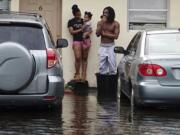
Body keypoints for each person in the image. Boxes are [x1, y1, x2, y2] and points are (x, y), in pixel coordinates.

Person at [96, 6, 120, 75]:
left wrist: (104, 34)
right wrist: (101, 23)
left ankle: (111, 84)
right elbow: (97, 34)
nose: (104, 14)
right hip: (102, 47)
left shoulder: (115, 23)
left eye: (106, 12)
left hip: (111, 47)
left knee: (112, 66)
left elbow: (116, 36)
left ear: (111, 14)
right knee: (102, 67)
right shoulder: (100, 23)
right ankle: (103, 84)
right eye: (104, 12)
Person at [68, 5, 84, 81]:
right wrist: (80, 30)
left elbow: (88, 29)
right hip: (76, 41)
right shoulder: (71, 21)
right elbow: (71, 32)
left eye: (80, 14)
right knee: (77, 57)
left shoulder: (83, 21)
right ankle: (77, 73)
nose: (79, 16)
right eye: (77, 15)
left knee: (82, 58)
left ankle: (81, 75)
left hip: (84, 41)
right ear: (74, 14)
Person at [82, 11, 93, 81]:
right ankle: (82, 74)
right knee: (82, 58)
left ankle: (84, 74)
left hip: (86, 40)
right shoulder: (85, 23)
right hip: (83, 41)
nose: (84, 18)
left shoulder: (88, 23)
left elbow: (90, 31)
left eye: (86, 17)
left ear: (89, 18)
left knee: (85, 58)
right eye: (84, 17)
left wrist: (87, 33)